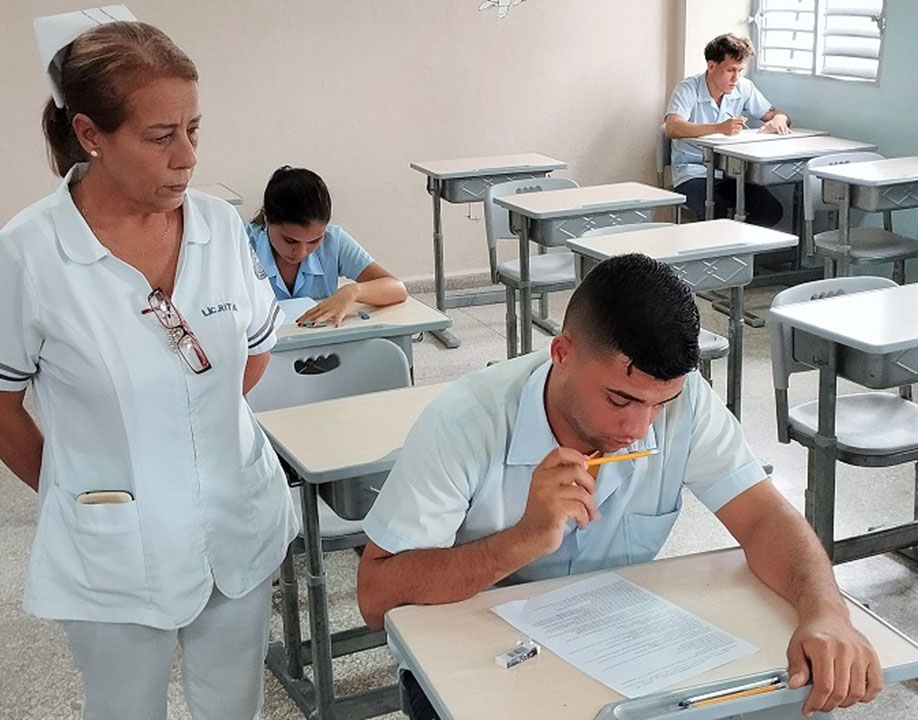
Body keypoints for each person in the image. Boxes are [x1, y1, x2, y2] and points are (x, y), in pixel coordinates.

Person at [0, 10, 296, 720]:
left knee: (236, 706)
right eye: (161, 137)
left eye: (195, 129)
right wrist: (78, 488)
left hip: (238, 517)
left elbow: (249, 356)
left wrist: (196, 443)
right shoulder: (29, 254)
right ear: (90, 134)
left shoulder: (221, 228)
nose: (187, 157)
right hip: (114, 548)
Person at [356, 254, 883, 719]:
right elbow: (377, 596)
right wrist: (522, 541)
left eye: (660, 403)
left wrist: (826, 613)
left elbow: (764, 517)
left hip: (612, 643)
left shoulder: (683, 399)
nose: (639, 429)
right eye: (620, 400)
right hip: (474, 657)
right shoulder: (465, 422)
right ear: (563, 353)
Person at [246, 166, 407, 327]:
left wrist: (353, 292)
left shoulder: (334, 240)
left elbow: (397, 289)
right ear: (267, 220)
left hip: (321, 344)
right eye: (290, 241)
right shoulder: (242, 242)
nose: (302, 253)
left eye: (314, 241)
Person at [665, 34, 790, 227]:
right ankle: (719, 248)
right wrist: (719, 128)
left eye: (740, 70)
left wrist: (780, 119)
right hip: (693, 173)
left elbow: (773, 113)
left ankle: (736, 245)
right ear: (711, 66)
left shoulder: (743, 87)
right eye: (730, 70)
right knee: (716, 212)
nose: (735, 78)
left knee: (770, 210)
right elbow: (673, 127)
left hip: (730, 173)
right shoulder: (688, 88)